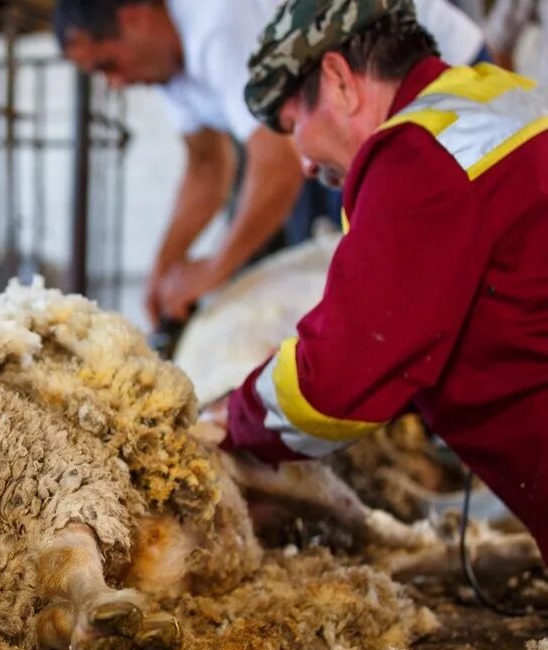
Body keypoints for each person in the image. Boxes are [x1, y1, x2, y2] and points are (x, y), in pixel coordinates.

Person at [208, 0, 548, 546]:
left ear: (339, 80)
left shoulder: (418, 156)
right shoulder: (491, 99)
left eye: (295, 123)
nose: (306, 165)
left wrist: (233, 418)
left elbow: (335, 380)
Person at [55, 0, 488, 328]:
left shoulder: (215, 27)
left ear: (136, 18)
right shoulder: (164, 64)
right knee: (339, 274)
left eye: (107, 64)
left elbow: (278, 165)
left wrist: (214, 269)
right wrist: (164, 268)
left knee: (407, 265)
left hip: (429, 72)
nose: (114, 82)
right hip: (340, 118)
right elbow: (207, 166)